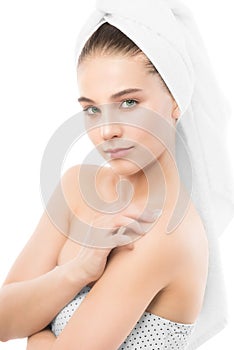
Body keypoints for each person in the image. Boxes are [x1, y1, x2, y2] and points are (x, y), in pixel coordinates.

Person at [2, 0, 233, 349]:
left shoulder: (165, 232)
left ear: (176, 100)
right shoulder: (76, 187)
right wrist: (78, 271)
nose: (107, 130)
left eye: (128, 103)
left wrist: (36, 331)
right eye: (92, 109)